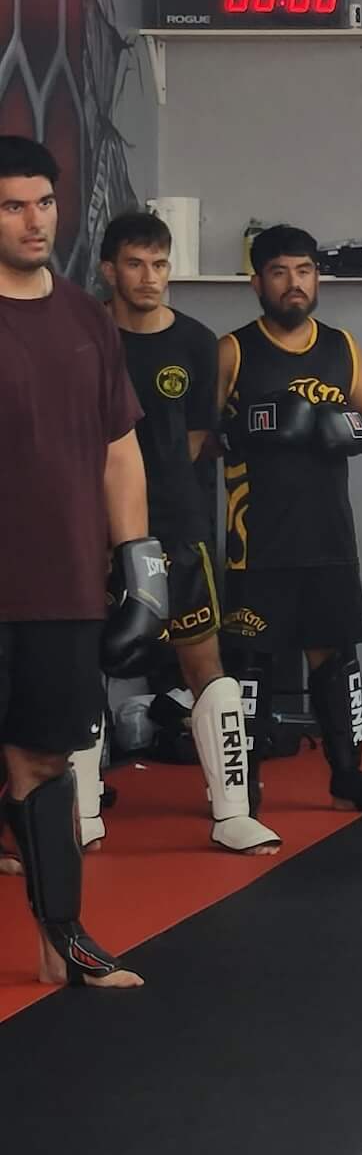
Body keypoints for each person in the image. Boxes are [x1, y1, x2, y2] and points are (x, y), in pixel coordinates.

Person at [0, 139, 168, 990]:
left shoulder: (84, 320)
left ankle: (63, 939)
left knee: (46, 760)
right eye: (12, 206)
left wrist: (138, 563)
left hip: (58, 581)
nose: (34, 222)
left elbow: (119, 450)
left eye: (44, 204)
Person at [94, 209, 281, 857]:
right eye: (136, 264)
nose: (150, 278)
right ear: (109, 270)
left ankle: (231, 810)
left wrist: (159, 500)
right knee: (75, 663)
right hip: (88, 522)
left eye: (160, 264)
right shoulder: (86, 336)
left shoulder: (198, 342)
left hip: (176, 523)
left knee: (204, 661)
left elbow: (196, 440)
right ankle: (81, 809)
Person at [217, 224, 362, 819]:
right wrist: (248, 426)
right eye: (279, 272)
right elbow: (199, 440)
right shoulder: (235, 349)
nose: (294, 283)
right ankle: (238, 785)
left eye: (303, 271)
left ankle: (347, 775)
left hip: (328, 534)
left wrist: (344, 428)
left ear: (316, 277)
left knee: (334, 654)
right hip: (258, 538)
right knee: (250, 661)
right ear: (258, 282)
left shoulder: (341, 346)